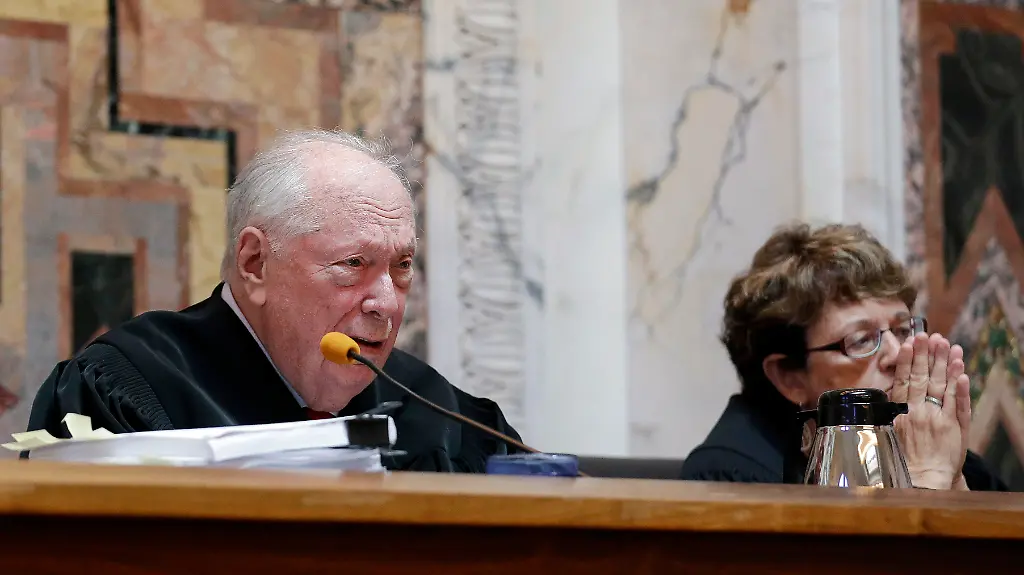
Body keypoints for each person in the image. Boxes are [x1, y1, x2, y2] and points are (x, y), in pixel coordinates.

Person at [26, 129, 521, 473]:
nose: (385, 303)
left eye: (402, 266)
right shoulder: (127, 389)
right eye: (353, 265)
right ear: (255, 263)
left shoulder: (444, 418)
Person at [680, 222, 1007, 491]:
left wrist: (955, 479)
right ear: (789, 375)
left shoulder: (922, 442)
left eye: (903, 330)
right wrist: (924, 481)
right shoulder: (729, 479)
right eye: (863, 339)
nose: (896, 353)